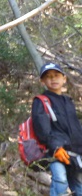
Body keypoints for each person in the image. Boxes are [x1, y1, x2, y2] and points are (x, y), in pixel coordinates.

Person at [32, 62, 82, 196]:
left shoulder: (68, 101)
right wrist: (55, 148)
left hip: (75, 152)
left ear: (64, 78)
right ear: (42, 81)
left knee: (79, 185)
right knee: (60, 181)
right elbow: (42, 130)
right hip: (55, 152)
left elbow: (76, 128)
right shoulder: (41, 101)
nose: (53, 79)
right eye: (48, 77)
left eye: (56, 75)